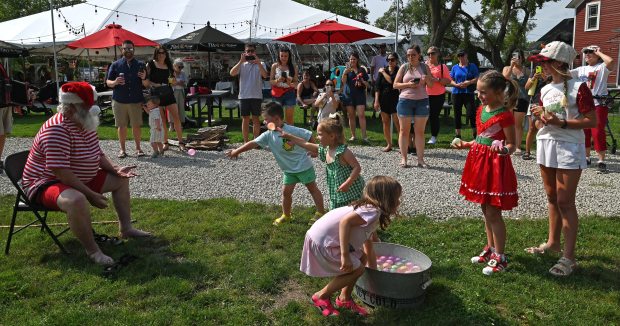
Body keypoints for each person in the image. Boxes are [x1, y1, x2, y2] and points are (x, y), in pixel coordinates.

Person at [20, 82, 150, 265]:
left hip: (75, 177)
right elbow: (62, 173)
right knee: (76, 199)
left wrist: (115, 170)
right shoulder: (57, 129)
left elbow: (97, 153)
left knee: (120, 180)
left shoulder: (84, 120)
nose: (93, 108)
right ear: (72, 107)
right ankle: (93, 251)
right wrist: (90, 195)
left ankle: (126, 228)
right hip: (46, 182)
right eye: (88, 105)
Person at [526, 41, 597, 277]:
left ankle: (569, 257)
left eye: (544, 63)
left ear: (557, 63)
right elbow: (541, 122)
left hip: (569, 147)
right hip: (546, 144)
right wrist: (539, 119)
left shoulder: (579, 87)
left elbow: (592, 120)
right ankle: (552, 243)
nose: (541, 68)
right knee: (551, 197)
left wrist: (561, 122)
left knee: (565, 201)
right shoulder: (545, 89)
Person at [301, 176, 402, 317]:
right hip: (323, 243)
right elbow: (344, 223)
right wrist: (345, 255)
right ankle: (320, 296)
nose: (398, 202)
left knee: (362, 259)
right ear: (387, 199)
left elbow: (369, 247)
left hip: (323, 238)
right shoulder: (371, 212)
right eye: (397, 198)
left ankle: (344, 298)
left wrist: (374, 277)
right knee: (357, 269)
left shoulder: (369, 210)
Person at [452, 70, 519, 275]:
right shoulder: (482, 109)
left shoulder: (505, 115)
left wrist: (504, 150)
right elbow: (482, 137)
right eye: (478, 91)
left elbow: (513, 144)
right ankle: (490, 249)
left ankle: (500, 256)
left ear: (498, 92)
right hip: (479, 161)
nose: (479, 95)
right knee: (484, 209)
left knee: (493, 212)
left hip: (495, 164)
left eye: (484, 92)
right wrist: (466, 144)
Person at [225, 102, 325, 225]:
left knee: (313, 189)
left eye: (266, 120)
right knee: (286, 192)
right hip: (288, 170)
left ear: (277, 119)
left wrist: (314, 150)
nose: (264, 122)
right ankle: (286, 215)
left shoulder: (291, 130)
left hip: (303, 166)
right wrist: (237, 151)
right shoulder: (268, 135)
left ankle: (320, 213)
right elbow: (252, 143)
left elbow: (308, 135)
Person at [280, 114, 364, 211]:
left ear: (332, 136)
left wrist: (348, 183)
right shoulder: (325, 150)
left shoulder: (343, 152)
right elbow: (305, 143)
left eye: (320, 134)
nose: (317, 137)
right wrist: (290, 137)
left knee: (353, 214)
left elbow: (357, 167)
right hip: (336, 193)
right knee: (336, 215)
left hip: (351, 192)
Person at [570, 45, 614, 173]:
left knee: (598, 131)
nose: (587, 54)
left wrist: (599, 52)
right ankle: (587, 157)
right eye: (586, 53)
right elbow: (565, 74)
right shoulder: (581, 69)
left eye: (590, 52)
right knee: (585, 131)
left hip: (599, 102)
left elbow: (610, 62)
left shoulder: (601, 67)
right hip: (585, 104)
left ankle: (601, 160)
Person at [393, 45, 434, 168]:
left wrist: (427, 79)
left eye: (413, 55)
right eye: (408, 55)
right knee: (403, 131)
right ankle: (404, 159)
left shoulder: (424, 67)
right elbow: (395, 85)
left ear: (419, 55)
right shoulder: (404, 67)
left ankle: (420, 160)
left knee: (419, 132)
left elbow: (431, 85)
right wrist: (408, 84)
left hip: (422, 101)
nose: (411, 57)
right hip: (405, 100)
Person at [106, 40, 146, 158]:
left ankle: (138, 148)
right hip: (119, 100)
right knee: (121, 126)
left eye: (130, 48)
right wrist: (115, 82)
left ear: (134, 50)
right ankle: (122, 150)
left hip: (135, 99)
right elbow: (108, 82)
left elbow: (146, 84)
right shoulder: (115, 64)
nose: (128, 51)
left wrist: (144, 78)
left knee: (136, 125)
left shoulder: (140, 65)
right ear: (122, 50)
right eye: (125, 48)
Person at [141, 47, 186, 152]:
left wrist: (173, 81)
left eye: (163, 53)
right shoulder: (150, 64)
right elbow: (146, 82)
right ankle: (165, 142)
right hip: (156, 95)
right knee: (162, 121)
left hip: (168, 92)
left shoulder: (169, 65)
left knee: (176, 118)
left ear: (166, 54)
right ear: (156, 54)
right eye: (159, 53)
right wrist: (155, 84)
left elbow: (172, 79)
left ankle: (181, 142)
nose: (161, 55)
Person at [230, 43, 268, 143]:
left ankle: (255, 141)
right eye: (248, 51)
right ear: (245, 52)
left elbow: (265, 75)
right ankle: (246, 141)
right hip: (244, 95)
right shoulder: (242, 64)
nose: (250, 53)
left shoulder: (261, 63)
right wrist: (240, 61)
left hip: (256, 95)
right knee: (245, 119)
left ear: (255, 52)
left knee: (256, 119)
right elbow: (232, 73)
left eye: (252, 51)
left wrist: (258, 63)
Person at [502, 49, 530, 155]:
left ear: (522, 58)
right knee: (507, 122)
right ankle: (507, 143)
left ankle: (517, 146)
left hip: (522, 98)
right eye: (514, 56)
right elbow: (505, 78)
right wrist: (511, 66)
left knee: (518, 124)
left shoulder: (526, 70)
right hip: (508, 98)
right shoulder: (506, 68)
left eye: (518, 56)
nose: (516, 58)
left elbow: (529, 83)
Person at [373, 52, 401, 152]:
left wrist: (383, 72)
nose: (390, 61)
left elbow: (392, 82)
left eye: (392, 59)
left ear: (396, 60)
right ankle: (389, 144)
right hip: (383, 99)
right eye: (388, 60)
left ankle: (401, 144)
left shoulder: (398, 70)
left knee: (397, 123)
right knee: (385, 122)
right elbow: (377, 87)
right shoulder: (383, 71)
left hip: (395, 99)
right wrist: (376, 101)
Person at [425, 46, 452, 145]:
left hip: (438, 95)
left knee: (434, 116)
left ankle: (433, 136)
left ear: (437, 54)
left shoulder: (442, 67)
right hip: (425, 94)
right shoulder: (424, 66)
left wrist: (438, 80)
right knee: (422, 115)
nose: (430, 55)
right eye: (428, 54)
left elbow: (448, 81)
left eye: (432, 53)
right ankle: (419, 135)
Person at [450, 49, 479, 138]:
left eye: (463, 55)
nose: (461, 57)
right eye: (459, 56)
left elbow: (477, 78)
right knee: (457, 114)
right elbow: (450, 80)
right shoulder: (455, 67)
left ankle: (475, 134)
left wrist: (468, 82)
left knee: (471, 113)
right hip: (456, 93)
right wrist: (456, 85)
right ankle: (458, 135)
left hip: (468, 93)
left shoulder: (472, 66)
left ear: (466, 56)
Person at [341, 53, 370, 142]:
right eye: (350, 59)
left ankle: (364, 136)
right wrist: (345, 73)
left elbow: (367, 84)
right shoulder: (347, 70)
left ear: (357, 60)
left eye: (354, 59)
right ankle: (353, 136)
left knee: (361, 115)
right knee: (351, 115)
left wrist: (361, 80)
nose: (352, 61)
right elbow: (343, 82)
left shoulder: (361, 70)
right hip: (349, 95)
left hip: (359, 94)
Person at [523, 65, 549, 160]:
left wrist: (544, 77)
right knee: (531, 128)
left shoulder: (550, 71)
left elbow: (552, 83)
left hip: (545, 102)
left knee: (542, 127)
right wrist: (534, 77)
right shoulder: (533, 72)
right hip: (533, 102)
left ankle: (542, 152)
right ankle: (527, 151)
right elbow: (526, 87)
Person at [270, 48, 299, 125]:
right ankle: (278, 135)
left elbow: (296, 83)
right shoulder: (274, 66)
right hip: (277, 93)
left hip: (289, 92)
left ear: (289, 57)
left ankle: (289, 135)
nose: (283, 58)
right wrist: (277, 81)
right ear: (279, 56)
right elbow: (271, 81)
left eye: (286, 56)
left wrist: (289, 83)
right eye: (282, 56)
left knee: (289, 117)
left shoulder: (294, 67)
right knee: (276, 117)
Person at [171, 58, 189, 128]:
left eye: (182, 66)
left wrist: (177, 83)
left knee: (181, 108)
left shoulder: (183, 73)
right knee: (173, 108)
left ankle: (181, 124)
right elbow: (170, 84)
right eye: (179, 66)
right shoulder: (171, 73)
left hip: (181, 92)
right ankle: (172, 125)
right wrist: (179, 83)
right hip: (173, 92)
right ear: (174, 66)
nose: (181, 68)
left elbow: (185, 84)